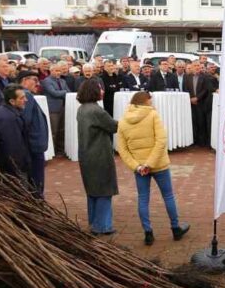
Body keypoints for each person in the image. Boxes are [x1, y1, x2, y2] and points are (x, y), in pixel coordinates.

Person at [116, 91, 190, 245]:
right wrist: (150, 163)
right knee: (168, 196)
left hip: (140, 168)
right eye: (151, 99)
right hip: (158, 164)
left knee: (143, 198)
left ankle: (148, 233)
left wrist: (137, 166)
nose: (152, 102)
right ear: (146, 100)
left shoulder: (123, 121)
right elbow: (161, 140)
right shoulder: (153, 115)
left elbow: (122, 149)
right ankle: (176, 229)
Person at [76, 80, 119, 235]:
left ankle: (94, 223)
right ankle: (102, 226)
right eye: (100, 89)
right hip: (99, 155)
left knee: (92, 191)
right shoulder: (96, 110)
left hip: (87, 155)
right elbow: (114, 126)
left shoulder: (82, 108)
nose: (103, 91)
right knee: (104, 191)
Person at [17, 71, 50, 198]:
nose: (37, 83)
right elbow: (25, 120)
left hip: (32, 144)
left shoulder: (25, 95)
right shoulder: (26, 96)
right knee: (36, 179)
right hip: (33, 144)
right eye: (34, 80)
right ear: (25, 80)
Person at [0, 85, 32, 185]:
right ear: (12, 101)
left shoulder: (8, 112)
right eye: (22, 98)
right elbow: (13, 146)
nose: (26, 100)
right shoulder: (8, 118)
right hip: (14, 168)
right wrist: (20, 167)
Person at [41, 63, 71, 158]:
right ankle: (52, 151)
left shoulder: (62, 81)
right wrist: (64, 92)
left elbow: (69, 92)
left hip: (63, 107)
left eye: (60, 71)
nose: (59, 73)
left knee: (62, 130)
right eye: (56, 71)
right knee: (54, 130)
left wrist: (63, 92)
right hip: (53, 109)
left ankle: (60, 150)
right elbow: (54, 93)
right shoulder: (46, 81)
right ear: (51, 71)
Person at [182, 62, 212, 147]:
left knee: (201, 122)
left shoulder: (205, 77)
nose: (197, 67)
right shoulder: (187, 76)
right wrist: (190, 98)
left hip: (201, 103)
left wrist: (197, 98)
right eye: (195, 66)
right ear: (191, 67)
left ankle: (201, 142)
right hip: (190, 103)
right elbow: (185, 88)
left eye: (198, 65)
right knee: (192, 122)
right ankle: (193, 141)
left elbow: (206, 90)